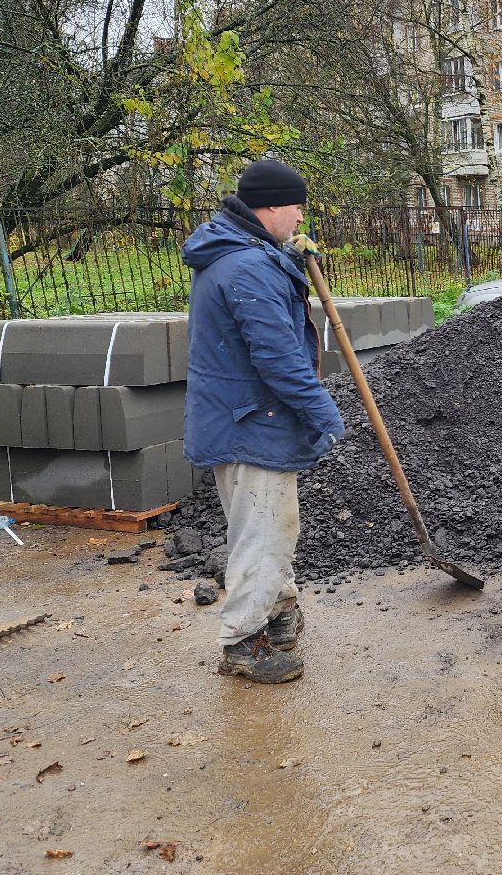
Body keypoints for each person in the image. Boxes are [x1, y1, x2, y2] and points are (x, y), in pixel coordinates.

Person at [182, 158, 345, 684]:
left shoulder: (246, 253)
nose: (301, 217)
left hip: (243, 415)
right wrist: (323, 413)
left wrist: (288, 258)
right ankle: (243, 641)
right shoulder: (247, 267)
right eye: (296, 207)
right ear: (271, 205)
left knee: (270, 525)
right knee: (264, 531)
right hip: (251, 421)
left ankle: (277, 611)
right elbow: (278, 358)